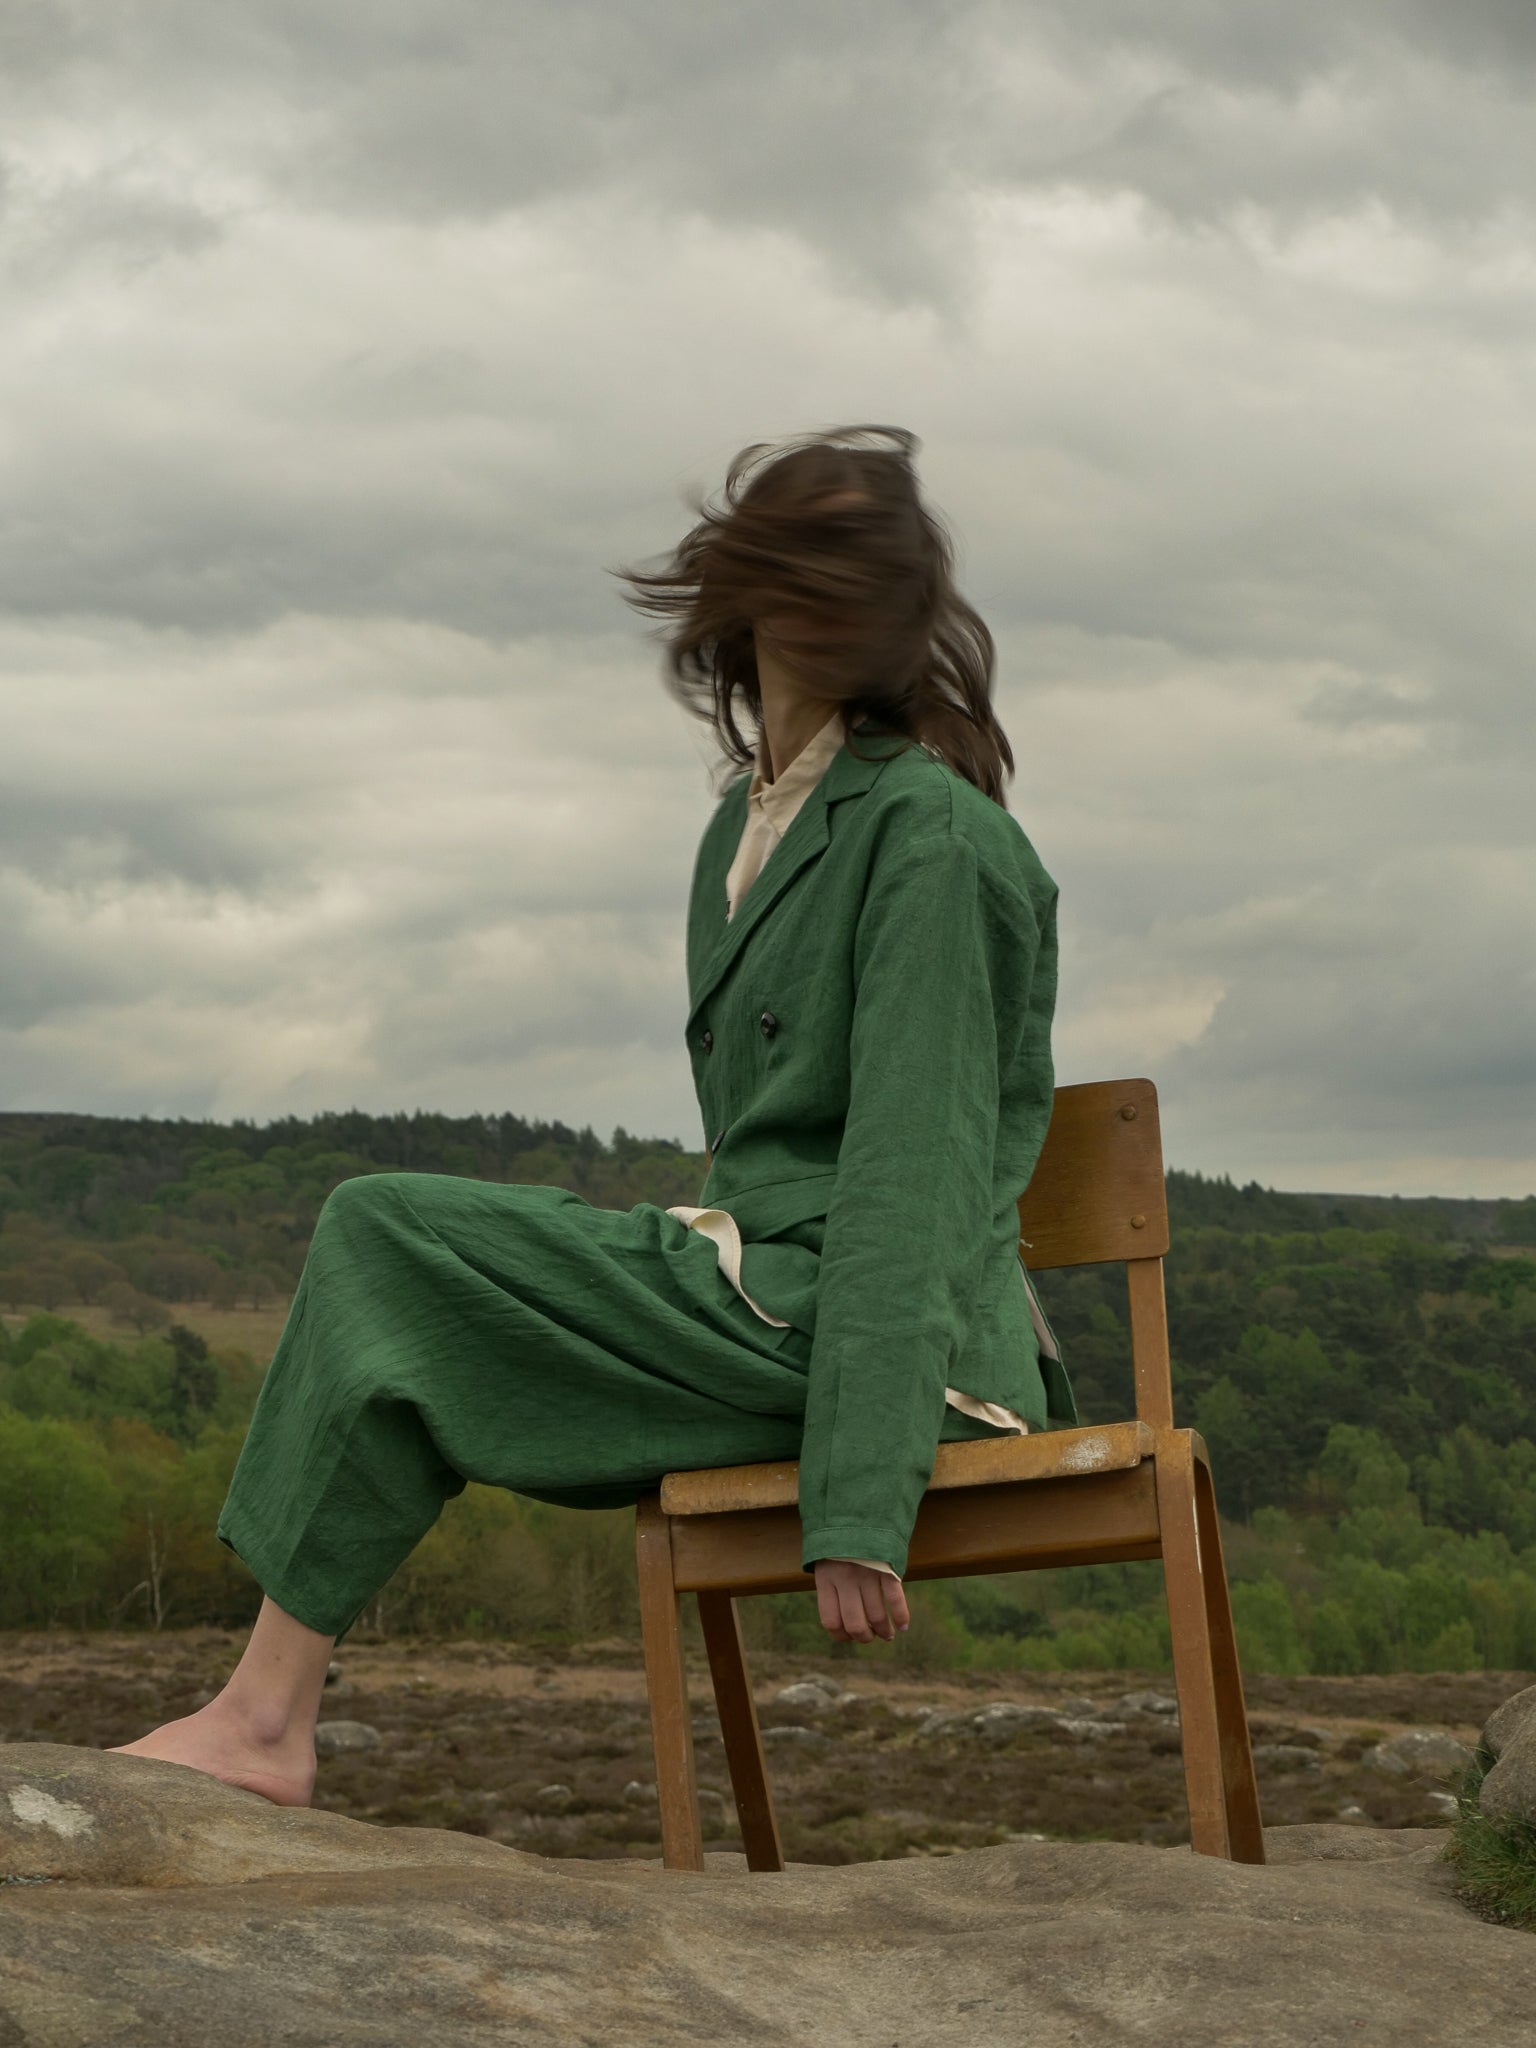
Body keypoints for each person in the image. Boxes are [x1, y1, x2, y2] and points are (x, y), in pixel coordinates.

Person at [107, 422, 1075, 1808]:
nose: (846, 606)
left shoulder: (929, 834)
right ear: (751, 592)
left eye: (875, 581)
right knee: (415, 1290)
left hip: (906, 1373)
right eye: (820, 569)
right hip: (774, 1308)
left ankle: (263, 1721)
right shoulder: (746, 829)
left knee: (387, 1235)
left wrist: (863, 1495)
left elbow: (909, 1181)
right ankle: (263, 1716)